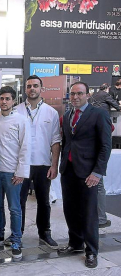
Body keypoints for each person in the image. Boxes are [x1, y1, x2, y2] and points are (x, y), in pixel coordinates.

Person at [58, 82, 112, 268]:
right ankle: (75, 244)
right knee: (70, 210)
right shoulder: (67, 116)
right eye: (72, 94)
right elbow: (67, 142)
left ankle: (91, 251)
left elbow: (105, 146)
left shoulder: (99, 114)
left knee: (89, 213)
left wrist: (97, 172)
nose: (75, 97)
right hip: (69, 170)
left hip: (89, 172)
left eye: (79, 93)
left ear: (88, 95)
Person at [0, 86, 31, 259]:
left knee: (14, 208)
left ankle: (17, 240)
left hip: (12, 172)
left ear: (13, 101)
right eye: (1, 99)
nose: (4, 102)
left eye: (7, 99)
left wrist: (20, 172)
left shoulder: (21, 120)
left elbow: (25, 148)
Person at [15, 75, 61, 249]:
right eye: (29, 86)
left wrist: (54, 165)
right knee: (19, 202)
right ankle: (17, 233)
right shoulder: (17, 110)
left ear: (41, 88)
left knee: (44, 201)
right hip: (22, 165)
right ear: (25, 89)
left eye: (35, 86)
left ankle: (45, 232)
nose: (32, 89)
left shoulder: (51, 112)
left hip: (43, 164)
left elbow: (55, 141)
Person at [89, 83, 118, 228]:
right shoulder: (102, 113)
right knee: (98, 187)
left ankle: (97, 217)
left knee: (96, 186)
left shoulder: (93, 99)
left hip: (91, 157)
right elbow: (106, 145)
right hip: (95, 157)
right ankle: (100, 218)